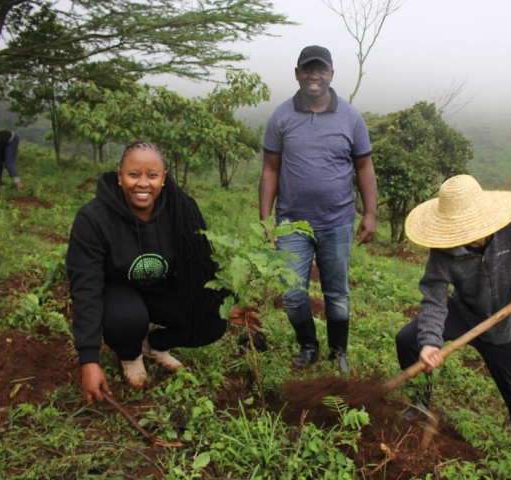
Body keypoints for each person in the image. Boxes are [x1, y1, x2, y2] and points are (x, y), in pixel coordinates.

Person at [67, 141, 262, 403]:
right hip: (118, 291)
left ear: (164, 178)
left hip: (162, 288)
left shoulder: (182, 210)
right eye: (133, 174)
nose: (142, 184)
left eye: (152, 175)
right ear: (120, 175)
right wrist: (88, 360)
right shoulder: (93, 219)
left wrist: (225, 301)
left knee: (213, 321)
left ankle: (153, 345)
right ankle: (130, 353)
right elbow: (86, 287)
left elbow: (202, 263)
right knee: (127, 318)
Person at [395, 174, 511, 478]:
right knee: (408, 339)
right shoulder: (443, 251)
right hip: (465, 313)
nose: (468, 236)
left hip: (506, 326)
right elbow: (434, 298)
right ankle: (418, 405)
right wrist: (431, 341)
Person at [259, 45, 377, 375]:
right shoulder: (281, 116)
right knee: (293, 294)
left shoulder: (351, 117)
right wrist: (265, 218)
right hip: (291, 224)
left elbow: (364, 166)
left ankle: (338, 352)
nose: (314, 74)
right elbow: (270, 169)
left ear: (331, 74)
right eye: (308, 69)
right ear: (297, 73)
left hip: (337, 221)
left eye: (321, 69)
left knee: (336, 293)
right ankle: (308, 346)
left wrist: (370, 214)